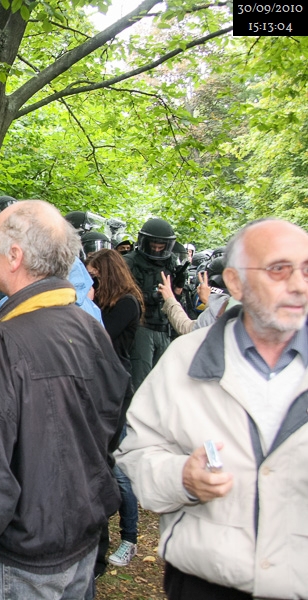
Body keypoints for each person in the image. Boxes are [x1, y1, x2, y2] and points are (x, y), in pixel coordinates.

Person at [0, 200, 130, 600]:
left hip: (12, 563)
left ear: (14, 256)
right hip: (79, 543)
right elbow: (111, 432)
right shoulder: (91, 330)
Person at [116, 218, 308, 600]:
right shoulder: (184, 359)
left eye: (306, 270)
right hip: (205, 582)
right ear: (235, 282)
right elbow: (137, 455)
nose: (299, 285)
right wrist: (182, 478)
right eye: (278, 269)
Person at [85, 248, 144, 575]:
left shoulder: (126, 303)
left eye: (94, 275)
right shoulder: (103, 302)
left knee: (118, 468)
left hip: (115, 391)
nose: (89, 281)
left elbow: (100, 335)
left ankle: (129, 536)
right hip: (96, 388)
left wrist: (87, 302)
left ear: (106, 274)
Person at [124, 217, 177, 389]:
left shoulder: (171, 262)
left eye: (160, 247)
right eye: (153, 245)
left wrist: (179, 285)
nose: (156, 249)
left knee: (163, 382)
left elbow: (177, 295)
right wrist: (151, 297)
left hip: (164, 326)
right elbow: (124, 295)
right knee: (141, 381)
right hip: (142, 326)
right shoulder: (130, 262)